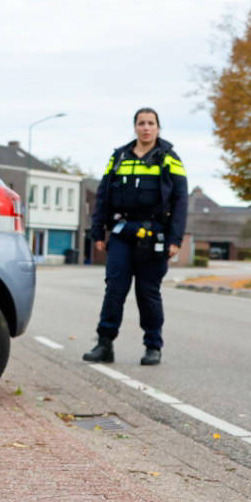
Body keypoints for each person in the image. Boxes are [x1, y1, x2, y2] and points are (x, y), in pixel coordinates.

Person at [82, 107, 188, 366]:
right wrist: (98, 232)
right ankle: (104, 344)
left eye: (151, 123)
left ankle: (153, 346)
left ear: (158, 128)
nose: (146, 128)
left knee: (147, 292)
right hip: (122, 231)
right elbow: (103, 196)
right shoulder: (119, 157)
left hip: (154, 234)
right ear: (135, 127)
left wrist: (175, 239)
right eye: (141, 123)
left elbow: (180, 201)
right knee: (114, 289)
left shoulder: (170, 158)